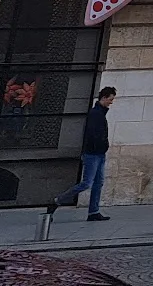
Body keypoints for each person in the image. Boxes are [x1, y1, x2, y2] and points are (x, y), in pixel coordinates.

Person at [48, 86, 116, 220]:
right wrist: (101, 145)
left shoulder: (99, 113)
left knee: (98, 183)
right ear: (104, 97)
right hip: (92, 154)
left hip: (99, 153)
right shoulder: (95, 114)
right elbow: (92, 135)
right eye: (110, 99)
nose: (111, 102)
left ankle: (93, 212)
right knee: (87, 183)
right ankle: (57, 201)